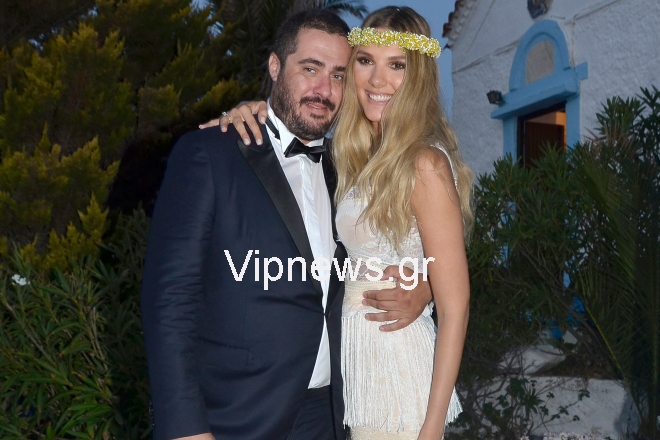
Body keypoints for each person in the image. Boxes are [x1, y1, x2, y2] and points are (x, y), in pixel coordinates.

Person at [140, 9, 431, 440]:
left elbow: (410, 247)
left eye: (337, 75)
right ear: (275, 66)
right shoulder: (210, 154)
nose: (323, 90)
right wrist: (184, 428)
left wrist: (425, 288)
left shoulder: (350, 170)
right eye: (310, 69)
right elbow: (168, 300)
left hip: (333, 414)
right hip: (235, 418)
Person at [214, 6, 473, 440]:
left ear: (419, 77)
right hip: (351, 374)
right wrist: (256, 109)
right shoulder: (353, 155)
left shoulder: (424, 163)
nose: (377, 80)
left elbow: (456, 305)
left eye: (397, 66)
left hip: (394, 376)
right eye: (366, 61)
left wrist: (430, 429)